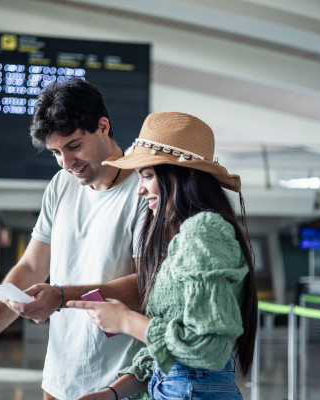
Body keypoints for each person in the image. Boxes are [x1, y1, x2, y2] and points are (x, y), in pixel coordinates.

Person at [0, 79, 147, 400]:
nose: (66, 163)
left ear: (102, 126)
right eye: (56, 152)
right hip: (60, 378)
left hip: (121, 382)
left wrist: (59, 295)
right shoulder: (61, 185)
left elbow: (146, 286)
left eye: (73, 146)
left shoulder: (144, 191)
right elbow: (30, 266)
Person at [68, 111, 258, 400]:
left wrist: (126, 321)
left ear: (179, 176)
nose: (140, 190)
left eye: (147, 176)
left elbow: (205, 348)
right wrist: (110, 394)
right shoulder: (184, 236)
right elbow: (168, 354)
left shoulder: (203, 231)